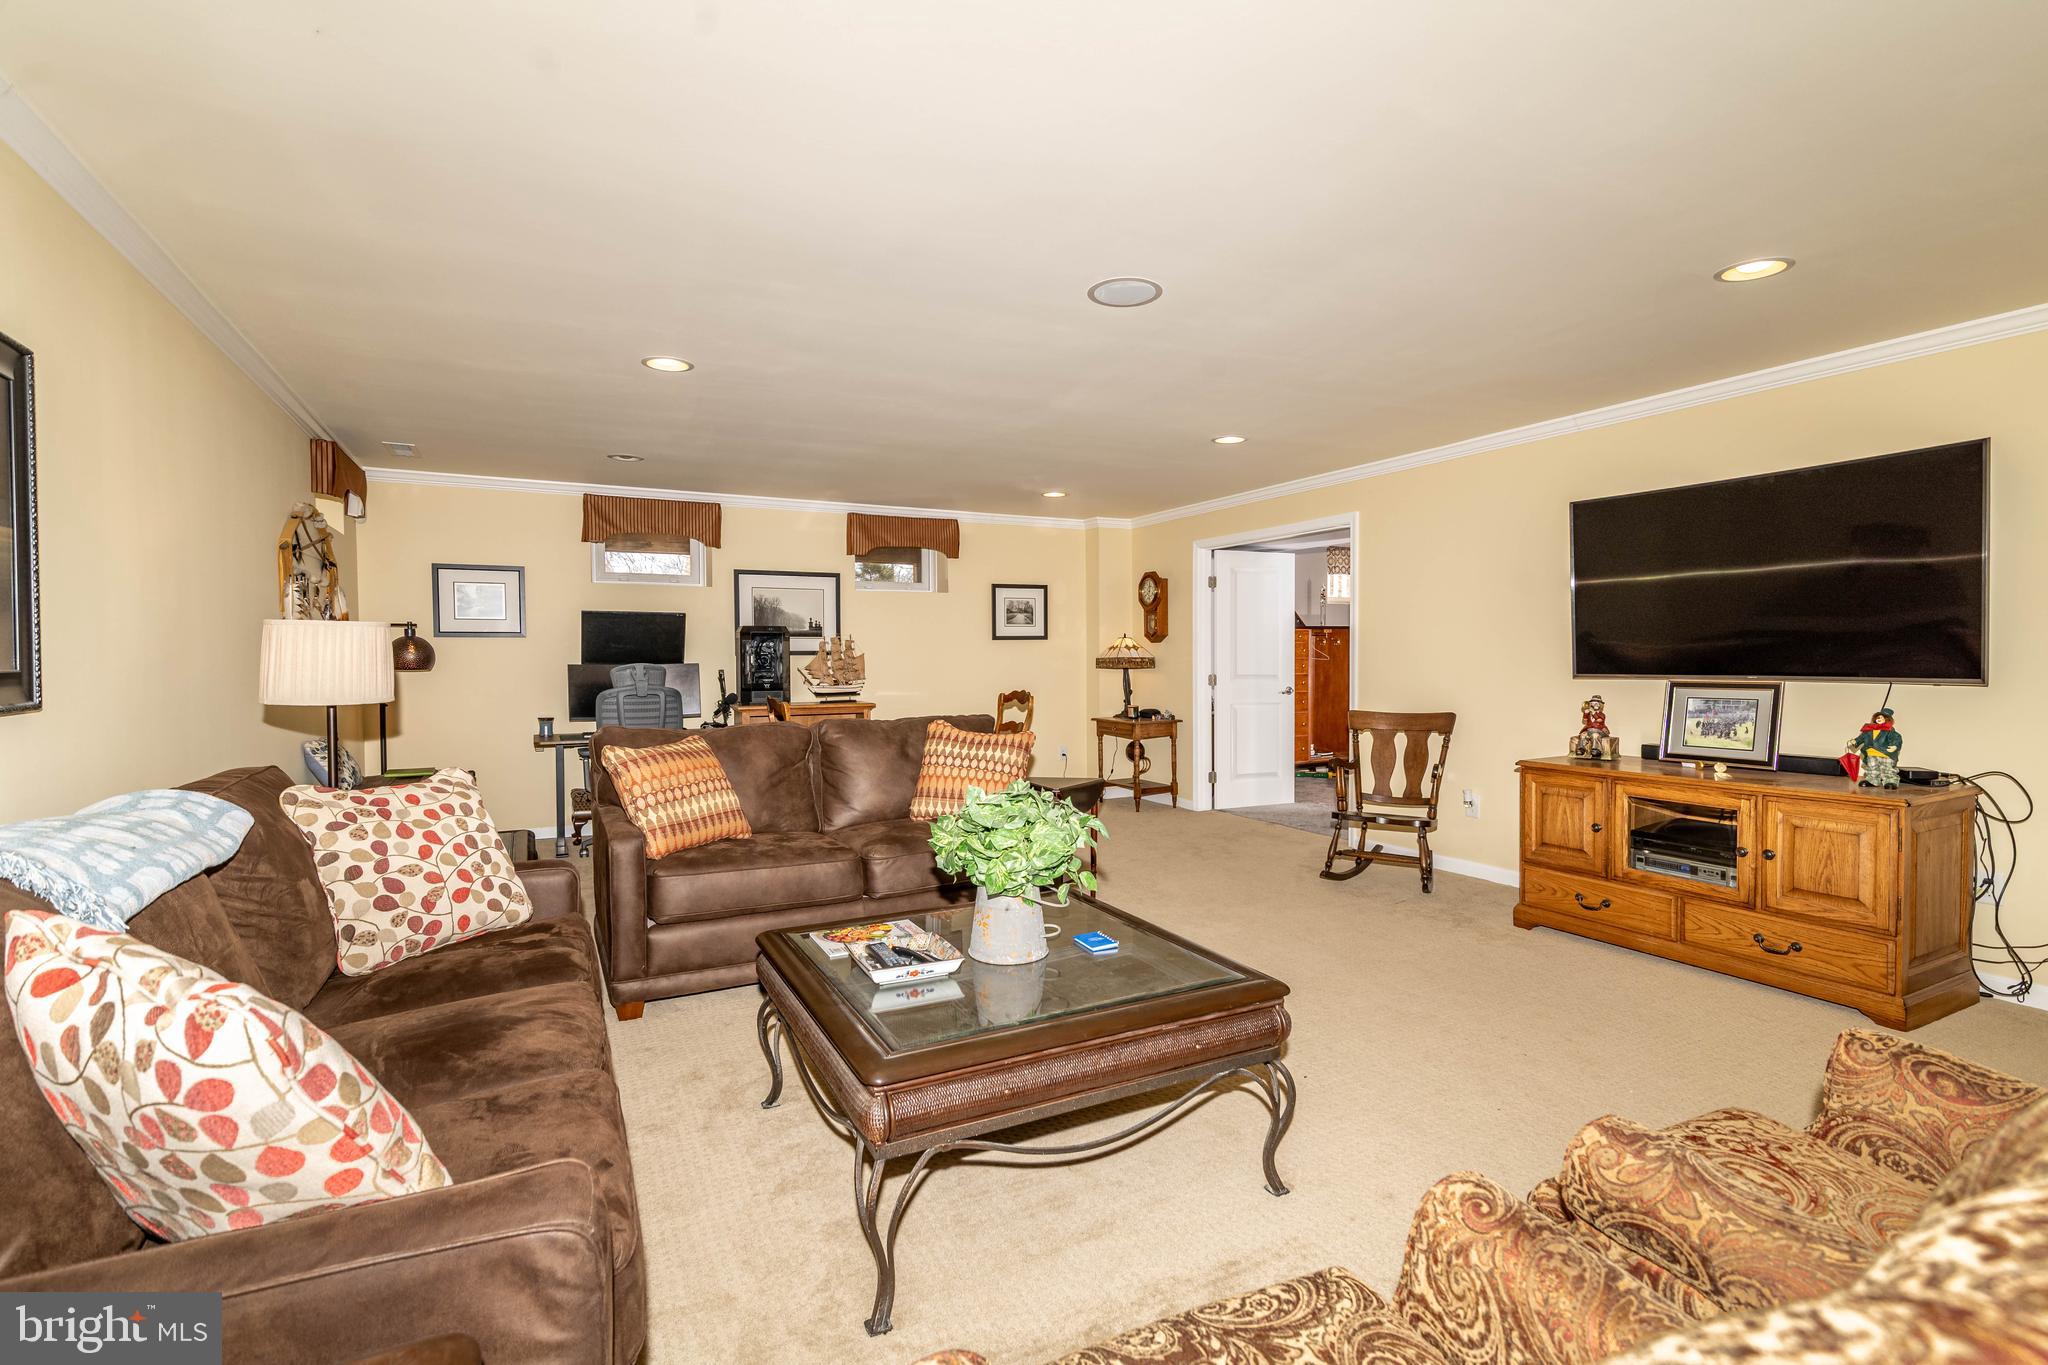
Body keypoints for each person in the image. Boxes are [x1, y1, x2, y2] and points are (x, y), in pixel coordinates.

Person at [1842, 708, 1903, 787]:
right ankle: (1872, 780)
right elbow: (1862, 737)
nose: (1879, 719)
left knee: (1887, 769)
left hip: (1885, 753)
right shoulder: (1869, 730)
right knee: (1872, 768)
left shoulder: (1890, 731)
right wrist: (1855, 741)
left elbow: (1896, 738)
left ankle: (1890, 780)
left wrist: (1895, 746)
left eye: (1882, 717)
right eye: (1878, 717)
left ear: (1887, 720)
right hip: (1871, 753)